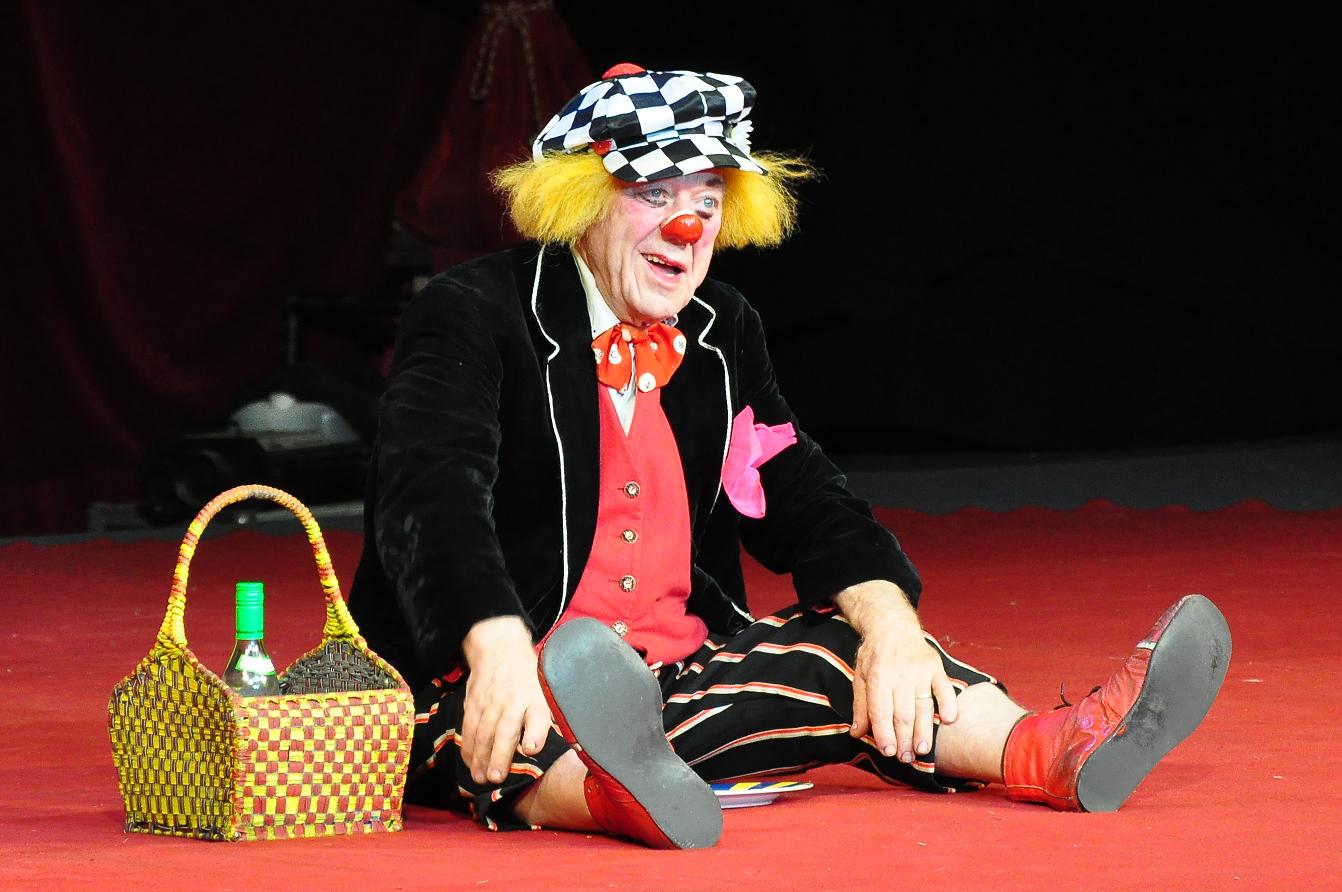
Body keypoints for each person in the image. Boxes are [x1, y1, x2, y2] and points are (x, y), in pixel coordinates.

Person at [349, 64, 1231, 848]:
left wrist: (892, 630)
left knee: (851, 653)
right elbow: (431, 495)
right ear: (579, 198)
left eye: (707, 199)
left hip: (671, 685)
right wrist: (497, 647)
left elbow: (802, 493)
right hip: (483, 680)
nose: (687, 225)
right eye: (654, 193)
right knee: (496, 730)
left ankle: (1049, 749)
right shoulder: (473, 313)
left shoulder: (721, 330)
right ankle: (610, 796)